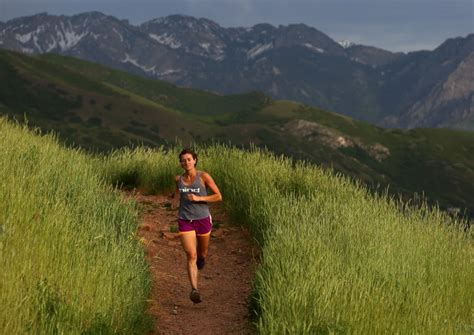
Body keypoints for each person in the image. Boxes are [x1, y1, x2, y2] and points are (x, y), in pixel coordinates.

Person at [175, 148, 222, 304]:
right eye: (183, 160)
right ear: (180, 163)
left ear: (195, 160)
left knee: (202, 254)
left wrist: (198, 198)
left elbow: (218, 196)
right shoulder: (178, 179)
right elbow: (178, 194)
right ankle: (194, 289)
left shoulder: (203, 177)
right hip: (185, 220)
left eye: (189, 159)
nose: (186, 162)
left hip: (202, 219)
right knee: (191, 255)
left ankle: (202, 259)